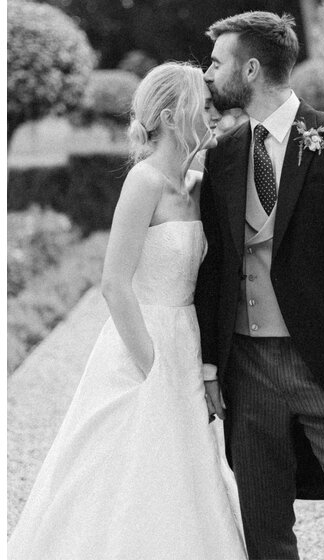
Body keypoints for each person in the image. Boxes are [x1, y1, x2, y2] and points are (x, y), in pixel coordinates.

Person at [7, 62, 247, 559]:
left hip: (189, 341)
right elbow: (114, 285)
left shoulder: (199, 184)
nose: (211, 114)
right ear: (170, 114)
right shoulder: (144, 181)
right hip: (145, 345)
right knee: (127, 468)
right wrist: (154, 367)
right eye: (201, 105)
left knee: (187, 473)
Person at [195, 11, 324, 559]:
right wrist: (211, 364)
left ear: (252, 69)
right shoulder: (224, 156)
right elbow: (213, 268)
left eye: (217, 63)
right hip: (248, 369)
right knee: (265, 535)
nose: (209, 75)